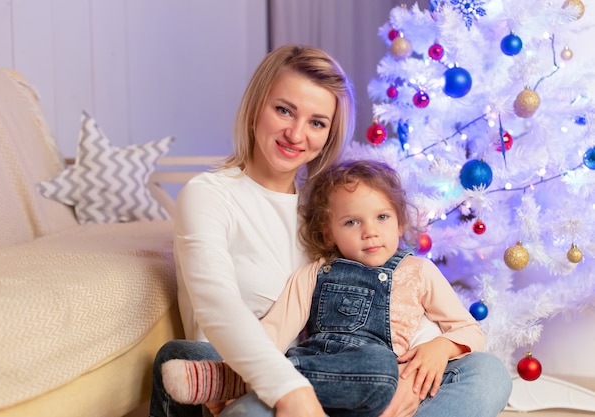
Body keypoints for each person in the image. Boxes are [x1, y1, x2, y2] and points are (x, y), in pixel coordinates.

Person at [150, 44, 511, 417]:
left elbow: (390, 311)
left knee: (487, 373)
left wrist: (407, 382)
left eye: (317, 122)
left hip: (352, 377)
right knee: (187, 359)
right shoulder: (208, 195)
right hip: (251, 375)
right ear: (257, 106)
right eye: (283, 110)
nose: (296, 133)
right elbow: (218, 308)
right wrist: (291, 392)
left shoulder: (329, 210)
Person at [160, 159, 510, 417]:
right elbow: (272, 334)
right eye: (351, 222)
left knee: (489, 373)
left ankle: (236, 383)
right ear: (329, 233)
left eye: (382, 217)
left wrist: (440, 346)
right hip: (314, 396)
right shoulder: (314, 274)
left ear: (399, 221)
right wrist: (256, 370)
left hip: (390, 392)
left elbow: (469, 331)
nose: (370, 231)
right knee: (187, 361)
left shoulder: (418, 271)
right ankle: (245, 383)